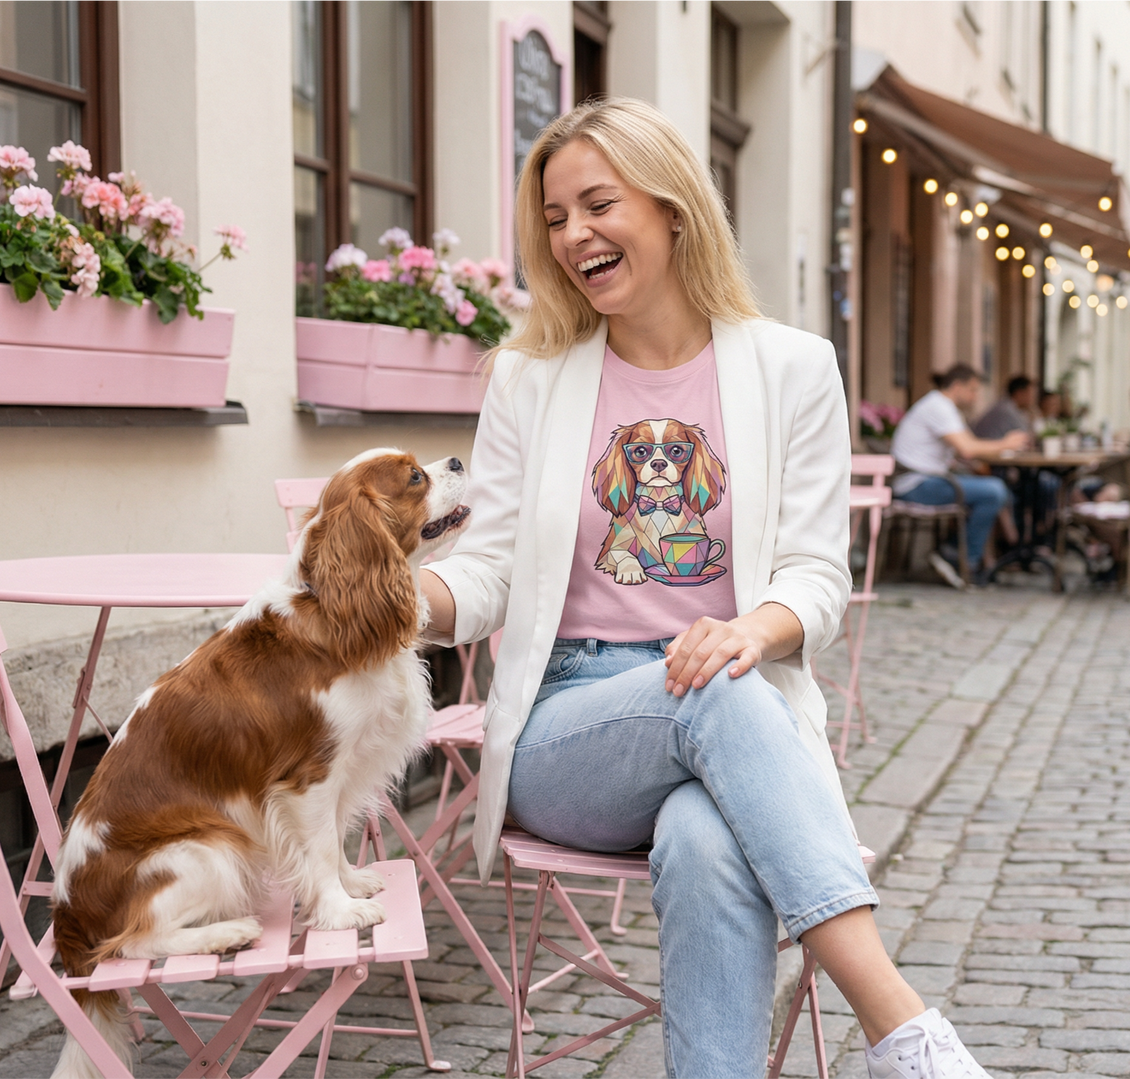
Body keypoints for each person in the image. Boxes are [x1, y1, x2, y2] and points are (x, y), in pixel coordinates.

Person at [419, 99, 991, 1079]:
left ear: (673, 207)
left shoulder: (793, 368)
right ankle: (902, 1029)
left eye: (597, 204)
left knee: (705, 840)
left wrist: (750, 631)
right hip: (571, 725)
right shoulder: (528, 377)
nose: (572, 235)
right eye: (553, 218)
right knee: (713, 695)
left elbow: (815, 573)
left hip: (731, 700)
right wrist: (398, 603)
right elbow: (489, 569)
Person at [892, 365, 1030, 588]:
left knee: (996, 489)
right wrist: (1006, 443)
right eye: (973, 390)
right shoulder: (939, 407)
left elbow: (965, 448)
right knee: (994, 491)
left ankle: (960, 553)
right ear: (957, 386)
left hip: (927, 480)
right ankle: (959, 558)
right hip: (916, 484)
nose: (976, 397)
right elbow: (967, 448)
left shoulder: (943, 406)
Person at [972, 375, 1036, 439]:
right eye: (1030, 394)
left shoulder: (1005, 405)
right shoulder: (1007, 411)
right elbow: (1026, 437)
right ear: (1019, 393)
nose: (1032, 399)